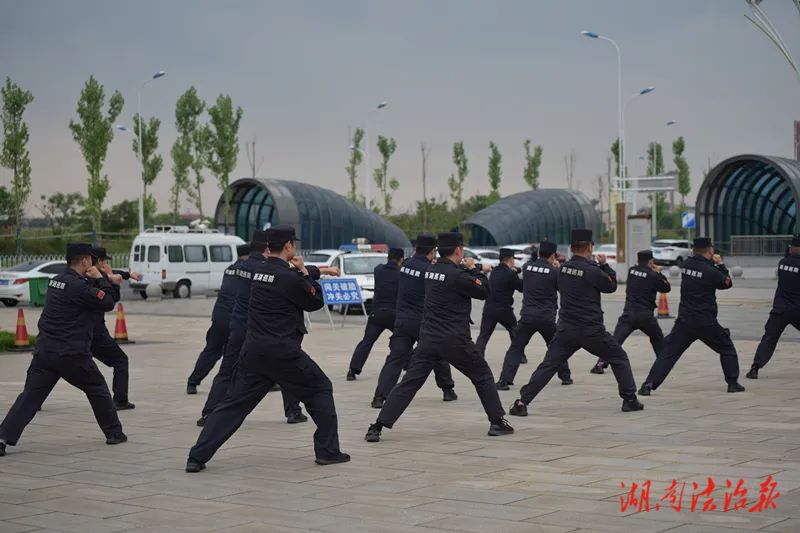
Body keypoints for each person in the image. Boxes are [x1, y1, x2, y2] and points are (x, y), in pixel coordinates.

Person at [186, 225, 350, 471]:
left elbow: (287, 275)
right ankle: (328, 451)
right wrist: (306, 272)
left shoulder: (259, 270)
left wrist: (319, 270)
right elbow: (314, 301)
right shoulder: (290, 277)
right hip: (283, 352)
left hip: (254, 352)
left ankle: (196, 457)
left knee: (233, 405)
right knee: (320, 389)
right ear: (288, 246)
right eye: (294, 243)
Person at [364, 232, 514, 442]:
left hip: (428, 338)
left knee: (409, 383)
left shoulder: (431, 270)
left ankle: (377, 426)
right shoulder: (458, 275)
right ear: (459, 250)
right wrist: (475, 269)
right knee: (482, 375)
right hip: (454, 339)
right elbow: (484, 291)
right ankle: (497, 422)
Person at [0, 243, 126, 457]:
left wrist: (103, 280)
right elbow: (107, 302)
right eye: (90, 260)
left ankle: (3, 437)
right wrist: (102, 279)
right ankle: (114, 433)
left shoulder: (57, 281)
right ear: (85, 261)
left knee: (30, 397)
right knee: (97, 389)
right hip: (71, 354)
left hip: (46, 352)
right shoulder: (80, 287)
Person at [509, 229, 643, 416]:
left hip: (566, 330)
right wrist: (605, 266)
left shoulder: (561, 270)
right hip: (591, 331)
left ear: (572, 248)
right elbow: (611, 286)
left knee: (548, 365)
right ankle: (629, 399)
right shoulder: (592, 271)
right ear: (589, 247)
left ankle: (522, 402)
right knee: (618, 357)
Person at [196, 232, 306, 426]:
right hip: (259, 331)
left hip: (237, 326)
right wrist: (318, 271)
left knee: (226, 371)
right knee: (288, 369)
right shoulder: (265, 269)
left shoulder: (237, 267)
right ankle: (293, 412)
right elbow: (291, 275)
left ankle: (208, 413)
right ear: (266, 250)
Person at [638, 237, 745, 395]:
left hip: (685, 321)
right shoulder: (711, 271)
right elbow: (726, 283)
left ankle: (648, 384)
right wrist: (721, 264)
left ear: (694, 250)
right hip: (706, 322)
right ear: (710, 251)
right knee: (726, 347)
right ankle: (732, 383)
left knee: (669, 353)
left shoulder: (686, 266)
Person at [370, 234, 457, 409]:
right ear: (432, 251)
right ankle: (447, 390)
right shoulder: (430, 271)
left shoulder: (405, 266)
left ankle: (379, 397)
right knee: (437, 355)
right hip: (423, 322)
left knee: (395, 359)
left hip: (402, 321)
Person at [496, 242, 572, 390]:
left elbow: (529, 266)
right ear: (552, 256)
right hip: (546, 317)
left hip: (527, 316)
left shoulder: (527, 268)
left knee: (516, 348)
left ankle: (504, 380)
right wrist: (557, 268)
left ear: (538, 254)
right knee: (556, 346)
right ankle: (565, 377)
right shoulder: (554, 272)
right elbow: (563, 288)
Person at [590, 249, 670, 374]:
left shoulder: (631, 271)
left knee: (615, 341)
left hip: (628, 314)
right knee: (657, 339)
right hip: (645, 316)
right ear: (651, 261)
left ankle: (600, 364)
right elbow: (666, 288)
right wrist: (659, 273)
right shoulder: (653, 275)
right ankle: (664, 363)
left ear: (638, 260)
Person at [186, 243, 250, 394]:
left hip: (219, 316)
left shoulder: (229, 270)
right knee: (248, 351)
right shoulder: (248, 271)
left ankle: (193, 382)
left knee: (211, 351)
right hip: (236, 318)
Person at [89, 247, 138, 410]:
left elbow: (113, 273)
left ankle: (34, 400)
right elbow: (110, 301)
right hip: (95, 334)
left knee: (57, 366)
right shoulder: (99, 278)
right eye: (105, 261)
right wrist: (114, 282)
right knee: (120, 360)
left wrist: (127, 274)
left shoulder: (79, 275)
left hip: (72, 333)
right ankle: (120, 400)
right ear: (100, 261)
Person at [347, 248, 404, 380]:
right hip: (393, 314)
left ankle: (353, 370)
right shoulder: (400, 273)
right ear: (401, 259)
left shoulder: (378, 270)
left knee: (366, 342)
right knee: (402, 339)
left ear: (388, 257)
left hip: (376, 314)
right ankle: (408, 364)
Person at [747, 235, 800, 379]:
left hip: (780, 310)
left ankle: (755, 368)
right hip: (797, 310)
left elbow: (789, 259)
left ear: (791, 248)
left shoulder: (782, 263)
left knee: (769, 339)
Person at [475, 248, 520, 358]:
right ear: (510, 259)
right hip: (504, 309)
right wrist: (516, 273)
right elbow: (521, 287)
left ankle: (477, 357)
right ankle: (519, 355)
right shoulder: (511, 273)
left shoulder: (494, 271)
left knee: (483, 336)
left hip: (489, 308)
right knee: (515, 331)